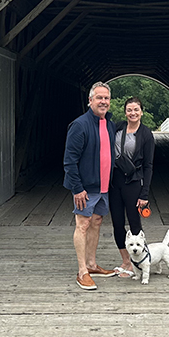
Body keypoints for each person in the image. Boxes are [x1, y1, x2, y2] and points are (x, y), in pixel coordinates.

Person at [63, 81, 118, 290]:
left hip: (104, 187)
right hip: (86, 187)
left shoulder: (109, 124)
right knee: (83, 225)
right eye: (99, 98)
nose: (103, 102)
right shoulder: (80, 125)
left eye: (106, 98)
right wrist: (77, 188)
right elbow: (69, 160)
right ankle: (82, 271)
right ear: (90, 100)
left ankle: (92, 264)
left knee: (96, 222)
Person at [108, 97, 156, 278]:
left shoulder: (146, 134)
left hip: (134, 181)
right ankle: (125, 261)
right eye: (129, 110)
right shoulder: (117, 127)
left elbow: (148, 166)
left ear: (142, 111)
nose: (133, 113)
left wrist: (145, 194)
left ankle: (139, 262)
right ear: (125, 112)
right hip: (115, 181)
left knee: (134, 222)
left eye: (136, 109)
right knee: (117, 223)